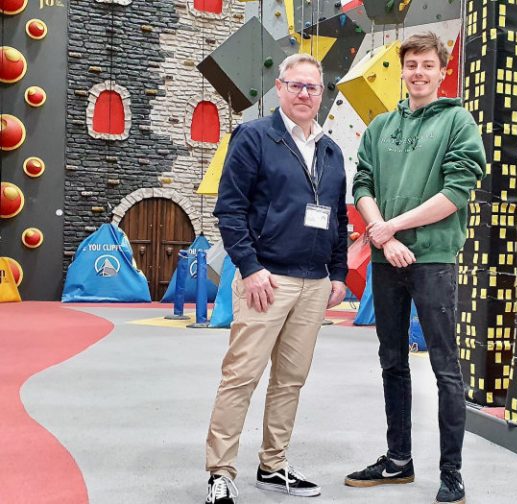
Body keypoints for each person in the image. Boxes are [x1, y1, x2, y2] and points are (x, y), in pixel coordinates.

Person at [345, 32, 486, 504]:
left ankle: (452, 473)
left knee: (445, 367)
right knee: (392, 361)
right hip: (388, 261)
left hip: (434, 260)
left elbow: (456, 193)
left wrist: (390, 230)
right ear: (401, 71)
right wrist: (382, 232)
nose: (419, 73)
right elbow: (361, 182)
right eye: (412, 65)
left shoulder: (457, 121)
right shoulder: (381, 126)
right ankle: (398, 460)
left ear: (442, 71)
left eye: (428, 65)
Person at [204, 53, 348, 504]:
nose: (305, 94)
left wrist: (338, 273)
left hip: (314, 283)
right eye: (296, 85)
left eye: (313, 87)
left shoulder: (331, 149)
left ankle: (273, 465)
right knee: (241, 377)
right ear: (280, 88)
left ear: (322, 94)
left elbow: (338, 219)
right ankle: (220, 472)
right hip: (265, 280)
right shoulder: (253, 137)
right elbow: (229, 210)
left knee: (290, 380)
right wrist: (250, 268)